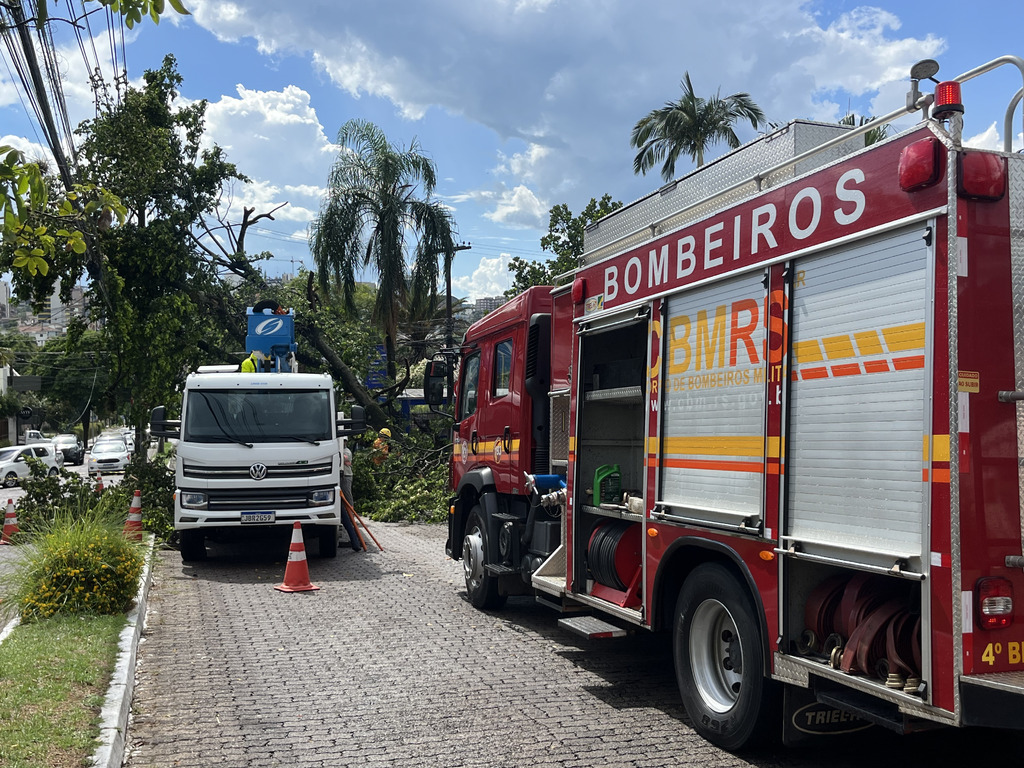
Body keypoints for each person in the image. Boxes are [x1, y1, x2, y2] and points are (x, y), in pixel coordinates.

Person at [340, 446, 363, 551]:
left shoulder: (347, 451)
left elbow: (346, 459)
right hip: (341, 476)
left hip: (346, 476)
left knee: (348, 499)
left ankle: (351, 516)